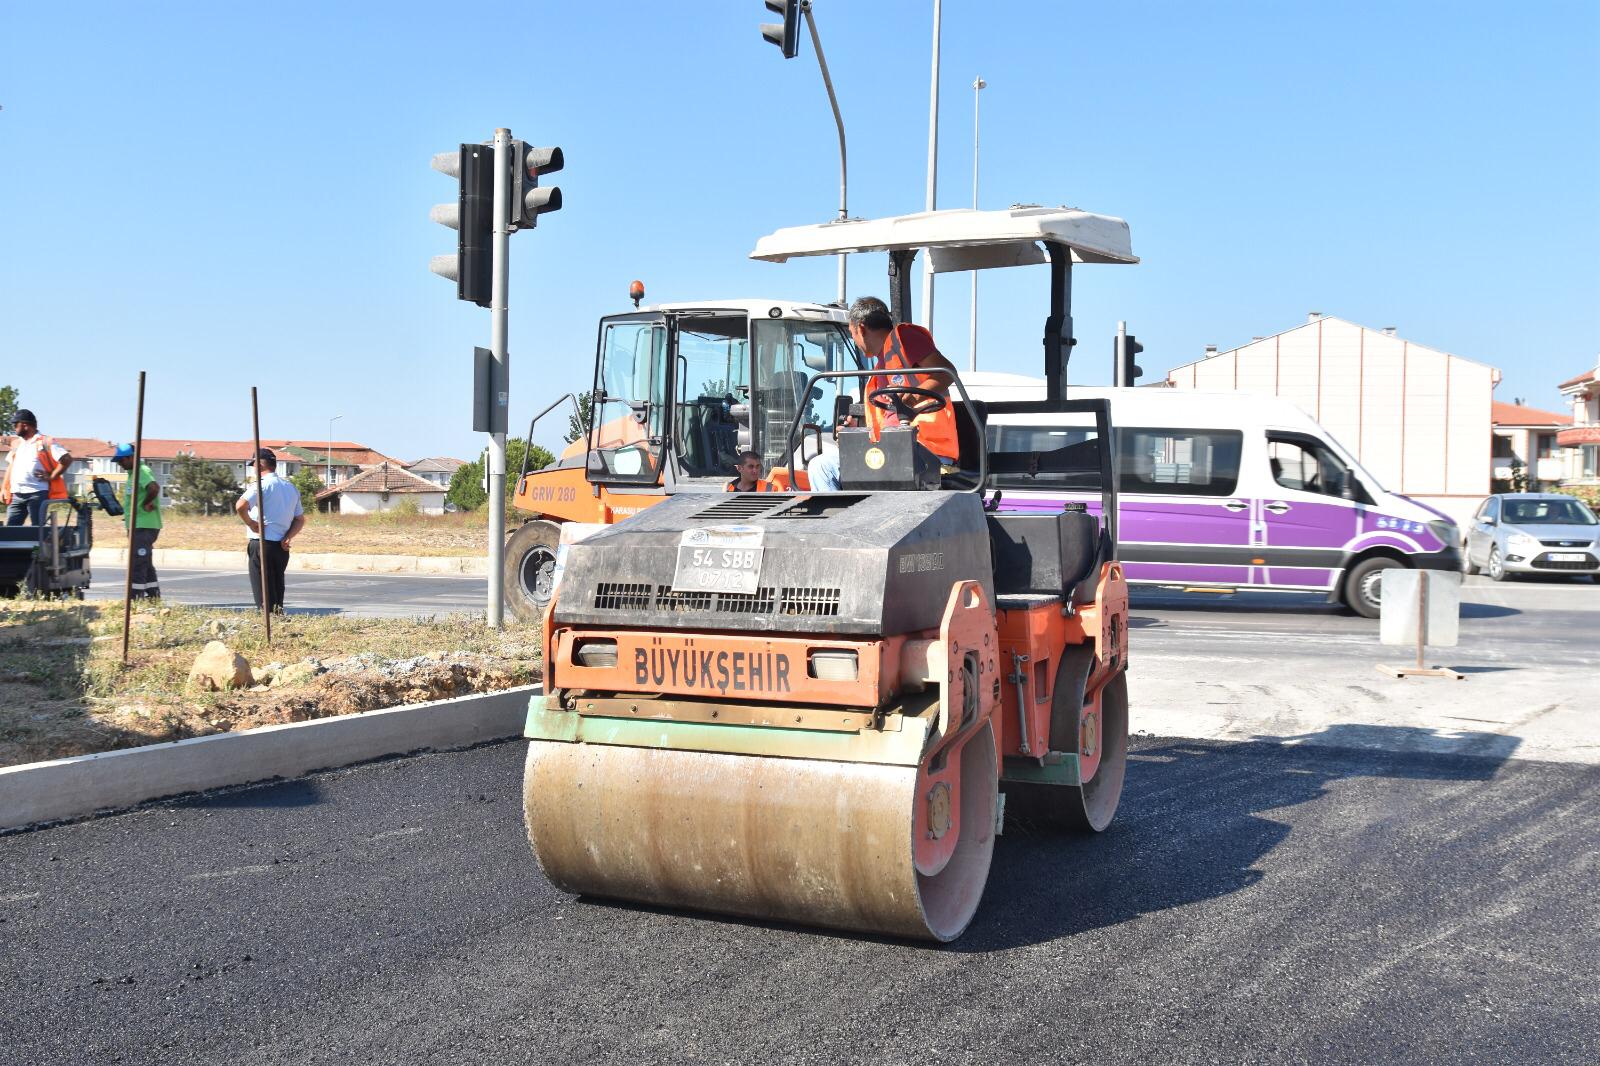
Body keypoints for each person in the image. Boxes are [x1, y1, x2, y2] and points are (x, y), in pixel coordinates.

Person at [807, 297, 960, 491]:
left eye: (852, 334)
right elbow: (885, 421)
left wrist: (913, 399)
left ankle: (837, 522)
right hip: (893, 448)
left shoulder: (903, 336)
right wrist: (856, 431)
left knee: (822, 467)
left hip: (924, 447)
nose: (855, 342)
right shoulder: (878, 371)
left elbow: (946, 372)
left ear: (860, 329)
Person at [235, 448, 305, 613]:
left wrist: (251, 523)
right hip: (281, 546)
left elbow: (240, 506)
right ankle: (277, 621)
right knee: (277, 589)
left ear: (259, 465)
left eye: (253, 466)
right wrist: (288, 537)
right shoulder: (290, 487)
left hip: (261, 543)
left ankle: (267, 622)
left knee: (263, 594)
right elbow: (300, 519)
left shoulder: (261, 485)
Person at [2, 409, 72, 527]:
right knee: (11, 530)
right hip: (17, 494)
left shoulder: (45, 442)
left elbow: (66, 459)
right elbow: (10, 467)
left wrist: (52, 476)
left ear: (25, 425)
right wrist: (4, 488)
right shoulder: (17, 443)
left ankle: (38, 546)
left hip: (37, 494)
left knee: (37, 529)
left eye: (15, 425)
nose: (14, 428)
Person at [112, 443, 163, 599]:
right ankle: (153, 595)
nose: (120, 464)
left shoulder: (141, 471)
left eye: (122, 460)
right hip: (139, 526)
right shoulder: (133, 474)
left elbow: (154, 488)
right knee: (145, 561)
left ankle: (135, 597)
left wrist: (146, 503)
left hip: (144, 526)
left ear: (131, 457)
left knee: (138, 562)